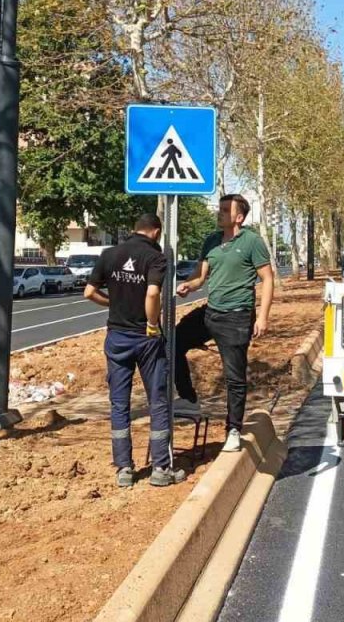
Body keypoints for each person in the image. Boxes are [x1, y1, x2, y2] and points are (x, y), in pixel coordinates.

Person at [84, 213, 187, 488]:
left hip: (116, 337)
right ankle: (160, 468)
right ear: (155, 232)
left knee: (119, 403)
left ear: (134, 229)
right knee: (158, 400)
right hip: (145, 338)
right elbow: (153, 294)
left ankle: (124, 469)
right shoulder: (155, 258)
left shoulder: (109, 254)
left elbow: (89, 292)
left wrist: (113, 304)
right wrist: (152, 324)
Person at [175, 193, 274, 453]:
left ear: (239, 217)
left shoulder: (252, 242)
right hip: (211, 312)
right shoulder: (211, 241)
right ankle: (187, 396)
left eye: (224, 210)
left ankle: (233, 429)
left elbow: (268, 279)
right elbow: (200, 277)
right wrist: (189, 285)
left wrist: (262, 317)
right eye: (218, 209)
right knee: (173, 341)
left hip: (238, 316)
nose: (218, 213)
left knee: (234, 377)